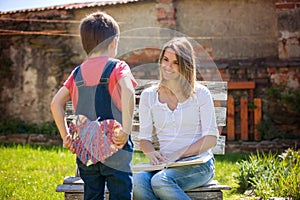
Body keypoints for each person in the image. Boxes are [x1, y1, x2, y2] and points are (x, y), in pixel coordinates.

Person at [50, 11, 136, 200]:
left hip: (86, 147)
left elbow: (56, 103)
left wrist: (66, 137)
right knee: (120, 193)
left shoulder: (77, 72)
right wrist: (127, 128)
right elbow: (129, 92)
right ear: (113, 43)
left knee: (92, 193)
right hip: (116, 144)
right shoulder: (118, 67)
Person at [133, 37, 219, 200]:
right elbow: (144, 139)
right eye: (165, 60)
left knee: (160, 181)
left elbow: (210, 139)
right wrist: (151, 153)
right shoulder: (149, 96)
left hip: (199, 164)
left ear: (185, 66)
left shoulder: (201, 94)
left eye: (175, 62)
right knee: (137, 181)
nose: (168, 66)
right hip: (164, 165)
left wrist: (178, 154)